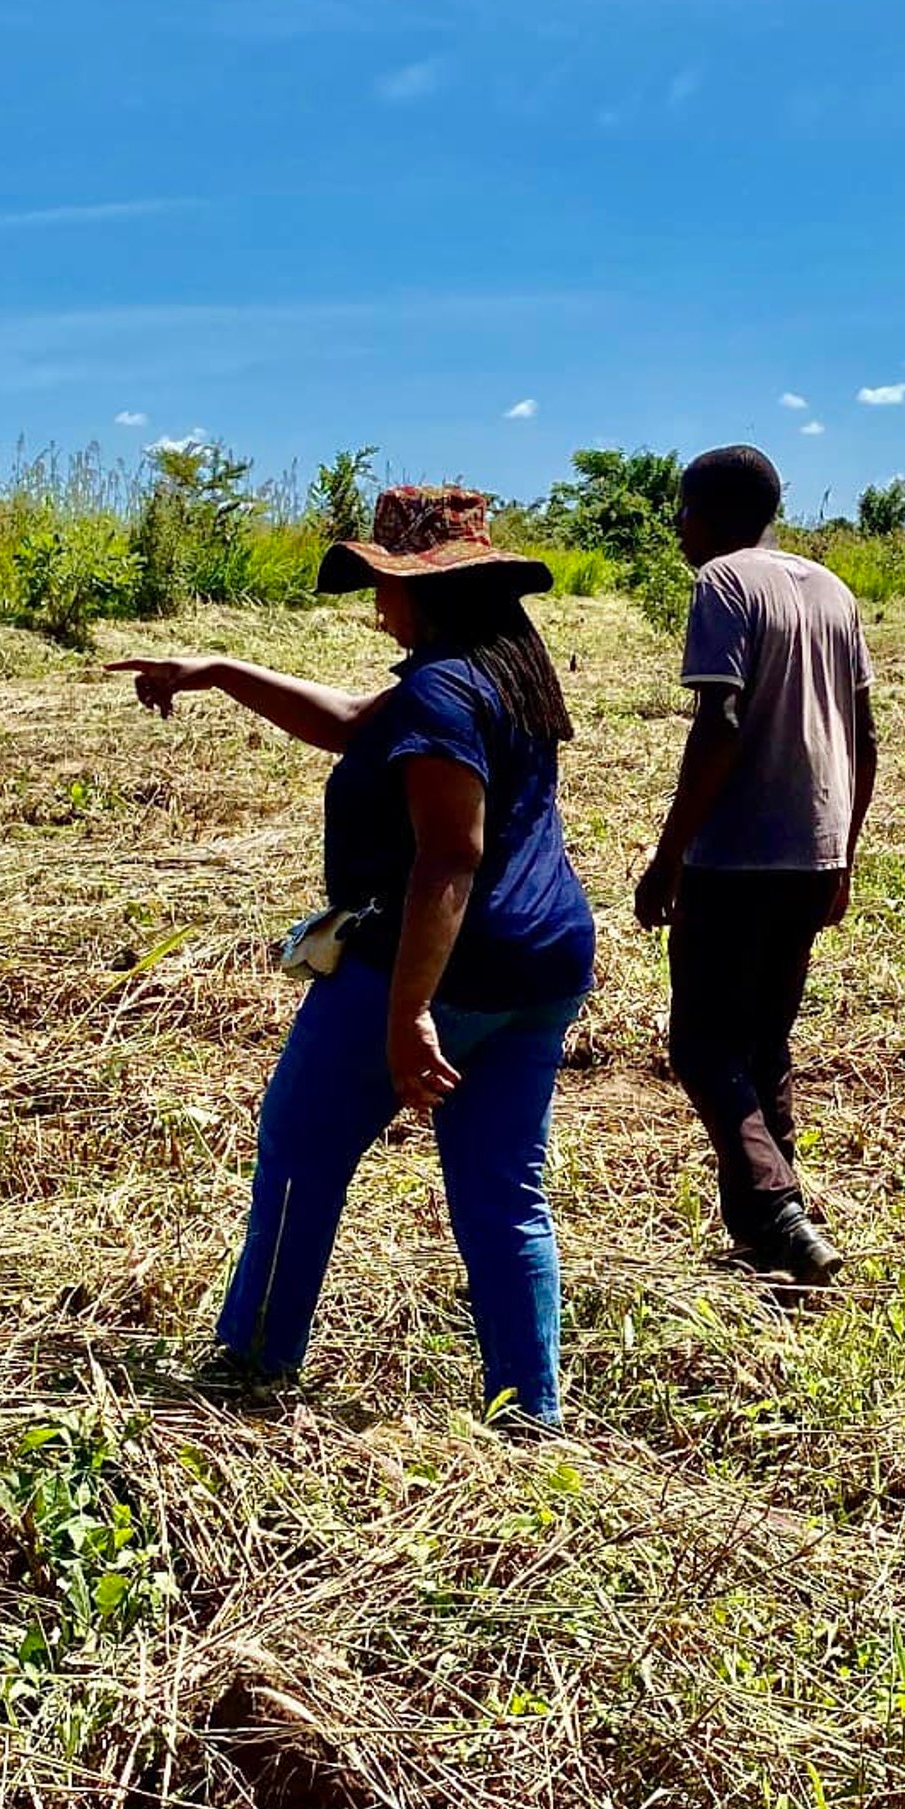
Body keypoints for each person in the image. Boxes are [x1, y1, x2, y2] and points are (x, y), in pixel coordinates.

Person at [109, 486, 595, 1429]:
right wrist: (217, 670)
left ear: (430, 592)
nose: (377, 605)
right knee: (504, 1194)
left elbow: (450, 855)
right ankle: (530, 1417)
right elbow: (345, 722)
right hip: (541, 965)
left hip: (442, 966)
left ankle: (253, 1364)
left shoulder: (443, 691)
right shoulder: (502, 671)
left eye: (386, 584)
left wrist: (408, 1012)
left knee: (300, 1150)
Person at [633, 445, 877, 1287]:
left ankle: (773, 1209)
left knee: (702, 1046)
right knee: (763, 1044)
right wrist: (843, 851)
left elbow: (719, 726)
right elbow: (865, 737)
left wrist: (668, 858)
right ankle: (785, 1228)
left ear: (711, 513)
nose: (677, 528)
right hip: (812, 851)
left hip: (735, 856)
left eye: (683, 511)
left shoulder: (724, 584)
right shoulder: (831, 591)